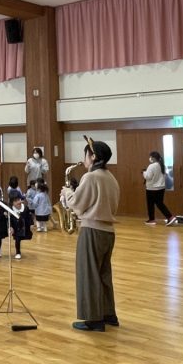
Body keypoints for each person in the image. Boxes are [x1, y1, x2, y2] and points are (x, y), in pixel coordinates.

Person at [61, 140, 120, 332]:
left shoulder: (91, 177)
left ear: (93, 157)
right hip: (108, 232)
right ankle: (108, 314)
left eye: (86, 155)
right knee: (103, 274)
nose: (84, 159)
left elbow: (77, 204)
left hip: (92, 230)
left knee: (88, 274)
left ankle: (94, 320)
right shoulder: (110, 177)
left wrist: (67, 193)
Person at [143, 151, 177, 226]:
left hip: (152, 188)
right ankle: (154, 219)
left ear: (153, 158)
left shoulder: (151, 166)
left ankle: (169, 217)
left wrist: (144, 173)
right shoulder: (161, 165)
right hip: (161, 188)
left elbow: (148, 177)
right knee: (159, 203)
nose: (150, 158)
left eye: (150, 157)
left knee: (151, 204)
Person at [8, 191, 34, 259]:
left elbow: (29, 217)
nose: (18, 202)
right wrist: (10, 227)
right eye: (15, 201)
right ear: (12, 203)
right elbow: (9, 220)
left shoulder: (25, 208)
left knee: (22, 237)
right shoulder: (11, 210)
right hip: (16, 228)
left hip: (24, 227)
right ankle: (18, 252)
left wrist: (31, 224)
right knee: (17, 240)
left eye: (19, 199)